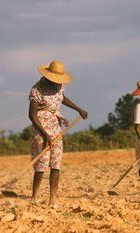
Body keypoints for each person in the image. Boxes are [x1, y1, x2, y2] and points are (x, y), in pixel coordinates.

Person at [29, 60, 88, 208]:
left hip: (55, 127)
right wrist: (44, 134)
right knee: (42, 164)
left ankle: (53, 199)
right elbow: (31, 115)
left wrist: (78, 108)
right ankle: (34, 197)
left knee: (56, 163)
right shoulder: (37, 90)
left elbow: (62, 97)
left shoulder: (59, 86)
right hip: (40, 127)